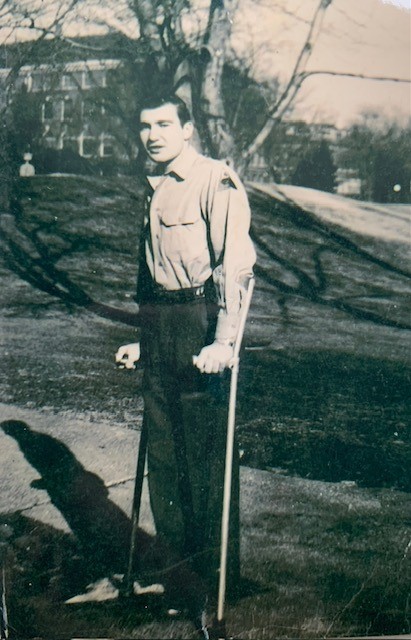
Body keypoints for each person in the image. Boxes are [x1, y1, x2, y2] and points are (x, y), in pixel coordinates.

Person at [115, 93, 256, 627]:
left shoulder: (214, 181)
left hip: (201, 324)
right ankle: (178, 580)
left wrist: (225, 341)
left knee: (203, 462)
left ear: (188, 128)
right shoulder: (153, 191)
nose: (153, 135)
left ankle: (214, 584)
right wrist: (145, 343)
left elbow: (235, 267)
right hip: (163, 327)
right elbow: (149, 282)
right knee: (165, 465)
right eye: (145, 126)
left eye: (164, 124)